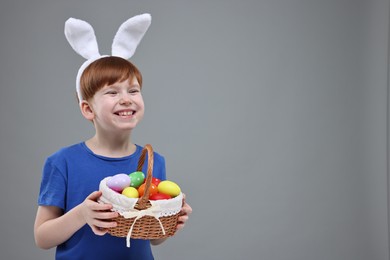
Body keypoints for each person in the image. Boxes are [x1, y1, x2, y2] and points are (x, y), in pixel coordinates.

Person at [34, 14, 192, 260]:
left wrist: (171, 221)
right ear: (88, 109)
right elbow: (42, 237)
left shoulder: (153, 161)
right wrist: (81, 215)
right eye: (112, 92)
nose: (126, 98)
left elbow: (152, 236)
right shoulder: (62, 162)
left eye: (133, 90)